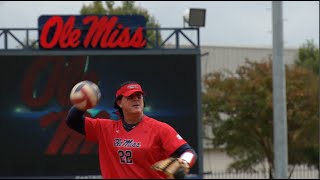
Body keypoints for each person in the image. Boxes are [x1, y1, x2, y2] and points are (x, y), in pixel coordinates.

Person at [66, 81, 197, 179]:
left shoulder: (160, 129)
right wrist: (81, 105)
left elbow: (188, 151)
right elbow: (73, 121)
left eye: (139, 96)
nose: (136, 99)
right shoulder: (105, 129)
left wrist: (184, 162)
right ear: (119, 102)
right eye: (130, 97)